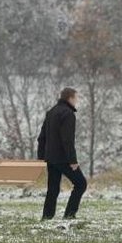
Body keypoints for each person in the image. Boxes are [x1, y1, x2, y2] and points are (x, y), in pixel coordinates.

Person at [37, 87, 88, 220]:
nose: (77, 101)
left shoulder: (51, 112)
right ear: (70, 98)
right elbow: (67, 140)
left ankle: (47, 216)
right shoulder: (68, 114)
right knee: (81, 183)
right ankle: (69, 214)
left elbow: (42, 137)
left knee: (53, 188)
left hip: (50, 158)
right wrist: (73, 161)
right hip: (63, 158)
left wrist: (41, 157)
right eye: (76, 98)